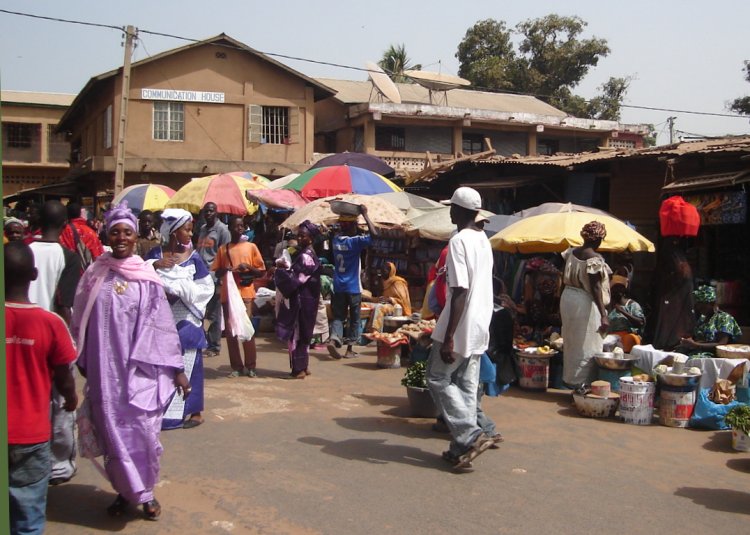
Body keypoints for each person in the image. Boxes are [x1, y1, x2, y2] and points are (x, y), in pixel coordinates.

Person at [70, 202, 189, 520]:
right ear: (108, 235)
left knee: (142, 434)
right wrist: (80, 356)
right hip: (104, 373)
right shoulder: (96, 273)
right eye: (115, 232)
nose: (121, 237)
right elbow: (80, 316)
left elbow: (161, 325)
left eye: (127, 232)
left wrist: (176, 369)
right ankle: (126, 492)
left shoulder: (146, 278)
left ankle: (145, 491)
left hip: (140, 371)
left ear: (135, 238)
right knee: (112, 433)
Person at [6, 241, 78, 535]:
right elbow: (64, 377)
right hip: (31, 436)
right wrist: (72, 398)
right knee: (28, 518)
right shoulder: (51, 324)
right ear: (34, 275)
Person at [426, 187, 495, 470]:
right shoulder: (483, 239)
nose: (450, 212)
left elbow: (460, 289)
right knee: (466, 384)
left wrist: (449, 337)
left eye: (452, 207)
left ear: (460, 211)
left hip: (461, 322)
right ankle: (460, 448)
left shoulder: (458, 241)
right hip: (480, 322)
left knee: (437, 378)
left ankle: (469, 435)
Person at [28, 201, 82, 486]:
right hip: (54, 336)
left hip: (21, 334)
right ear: (65, 226)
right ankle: (59, 466)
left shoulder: (20, 250)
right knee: (62, 404)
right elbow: (64, 303)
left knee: (28, 399)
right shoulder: (68, 257)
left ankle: (29, 459)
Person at [146, 209, 214, 429]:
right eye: (186, 229)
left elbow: (206, 287)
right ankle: (163, 412)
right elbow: (141, 277)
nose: (190, 233)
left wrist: (185, 291)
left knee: (190, 363)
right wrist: (155, 267)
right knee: (163, 366)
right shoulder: (155, 255)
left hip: (187, 318)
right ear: (174, 232)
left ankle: (195, 411)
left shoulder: (194, 259)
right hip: (162, 318)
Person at [212, 214, 266, 378]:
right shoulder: (223, 249)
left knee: (246, 330)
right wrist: (229, 269)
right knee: (230, 332)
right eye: (236, 226)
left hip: (245, 294)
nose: (239, 228)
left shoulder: (251, 247)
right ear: (230, 229)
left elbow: (261, 271)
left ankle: (251, 366)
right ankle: (236, 366)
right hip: (228, 295)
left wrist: (247, 267)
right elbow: (217, 271)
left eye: (241, 226)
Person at [559, 221, 612, 388]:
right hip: (584, 303)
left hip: (568, 299)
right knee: (587, 343)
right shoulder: (594, 259)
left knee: (571, 341)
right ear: (598, 240)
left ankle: (571, 380)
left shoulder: (571, 252)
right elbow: (596, 287)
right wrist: (604, 315)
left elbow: (562, 278)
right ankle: (583, 384)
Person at [327, 205, 379, 359]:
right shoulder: (354, 242)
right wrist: (365, 215)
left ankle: (334, 338)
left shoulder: (336, 240)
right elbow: (375, 235)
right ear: (352, 226)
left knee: (338, 315)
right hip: (353, 286)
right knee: (354, 318)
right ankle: (349, 349)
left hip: (338, 285)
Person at [274, 220, 323, 379]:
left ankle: (298, 369)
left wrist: (280, 271)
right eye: (299, 236)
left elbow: (295, 280)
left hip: (302, 301)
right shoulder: (308, 254)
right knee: (305, 333)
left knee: (297, 335)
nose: (299, 239)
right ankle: (304, 365)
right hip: (309, 301)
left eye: (303, 236)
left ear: (311, 238)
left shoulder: (306, 257)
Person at [196, 202, 231, 358]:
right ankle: (204, 342)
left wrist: (221, 280)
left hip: (215, 277)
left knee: (214, 313)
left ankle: (214, 346)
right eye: (206, 211)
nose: (208, 213)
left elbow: (226, 255)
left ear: (216, 212)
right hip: (201, 276)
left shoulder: (222, 230)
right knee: (202, 312)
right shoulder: (203, 229)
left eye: (211, 211)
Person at [648, 237, 695, 349]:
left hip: (679, 297)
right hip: (671, 296)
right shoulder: (671, 253)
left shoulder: (678, 256)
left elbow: (683, 273)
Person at [678, 285, 742, 356]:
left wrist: (696, 345)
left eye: (702, 305)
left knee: (693, 361)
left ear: (712, 304)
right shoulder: (702, 319)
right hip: (698, 352)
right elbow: (699, 339)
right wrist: (688, 340)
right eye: (698, 305)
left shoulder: (723, 318)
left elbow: (721, 344)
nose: (699, 308)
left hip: (715, 355)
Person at [60, 202, 104, 271]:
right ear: (80, 214)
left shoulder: (62, 231)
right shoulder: (90, 232)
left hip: (67, 273)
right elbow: (98, 255)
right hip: (86, 274)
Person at [607, 282, 645, 352]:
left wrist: (622, 311)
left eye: (614, 292)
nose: (612, 295)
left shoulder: (633, 305)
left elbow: (640, 322)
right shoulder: (613, 307)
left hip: (627, 338)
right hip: (612, 338)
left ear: (621, 293)